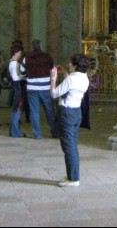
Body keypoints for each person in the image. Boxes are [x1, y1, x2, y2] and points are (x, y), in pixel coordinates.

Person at [50, 54, 92, 187]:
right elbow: (72, 84)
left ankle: (73, 179)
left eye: (70, 63)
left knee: (68, 147)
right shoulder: (84, 78)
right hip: (76, 112)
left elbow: (54, 94)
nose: (68, 65)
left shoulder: (71, 80)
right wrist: (66, 74)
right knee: (72, 145)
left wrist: (53, 78)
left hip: (66, 113)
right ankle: (72, 175)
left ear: (75, 65)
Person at [23, 39, 56, 139]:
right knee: (49, 110)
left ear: (32, 47)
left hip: (31, 87)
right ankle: (54, 131)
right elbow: (52, 70)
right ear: (41, 46)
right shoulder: (48, 57)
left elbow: (22, 71)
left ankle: (37, 134)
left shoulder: (27, 57)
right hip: (45, 87)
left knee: (34, 111)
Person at [8, 43, 27, 138]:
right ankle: (15, 131)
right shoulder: (14, 63)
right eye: (19, 52)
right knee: (17, 110)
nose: (20, 54)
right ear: (15, 52)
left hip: (15, 88)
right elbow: (17, 77)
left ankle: (13, 130)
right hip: (18, 88)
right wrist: (25, 76)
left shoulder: (11, 62)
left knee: (15, 110)